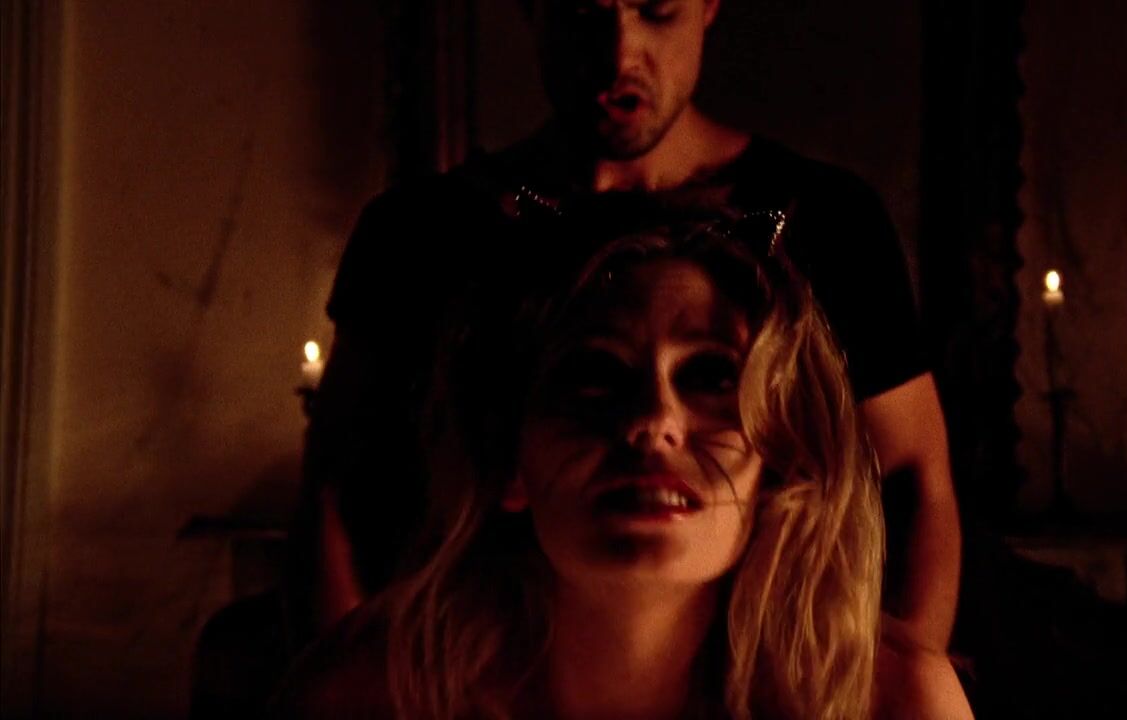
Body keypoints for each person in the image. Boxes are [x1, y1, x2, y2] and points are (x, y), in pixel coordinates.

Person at [292, 0, 959, 659]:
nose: (619, 57)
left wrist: (891, 683)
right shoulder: (420, 232)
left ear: (708, 7)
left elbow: (913, 479)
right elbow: (337, 487)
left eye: (656, 11)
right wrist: (355, 680)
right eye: (583, 14)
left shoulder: (826, 221)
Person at [276, 218, 972, 719]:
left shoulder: (892, 699)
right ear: (510, 460)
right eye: (595, 374)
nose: (652, 420)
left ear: (779, 465)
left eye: (710, 376)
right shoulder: (369, 691)